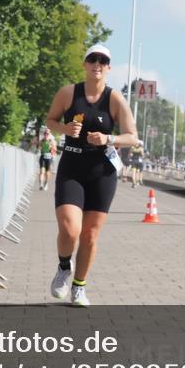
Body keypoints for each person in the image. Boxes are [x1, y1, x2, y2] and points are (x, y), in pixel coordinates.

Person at [44, 43, 137, 307]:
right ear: (85, 64)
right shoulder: (68, 93)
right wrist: (65, 129)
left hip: (102, 173)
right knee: (69, 229)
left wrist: (109, 138)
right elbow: (50, 120)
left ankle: (79, 287)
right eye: (92, 59)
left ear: (109, 68)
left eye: (103, 61)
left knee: (90, 235)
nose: (97, 64)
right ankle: (64, 267)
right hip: (72, 168)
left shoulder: (115, 99)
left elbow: (132, 137)